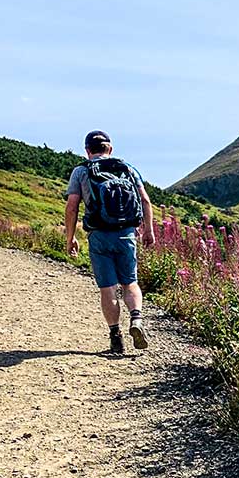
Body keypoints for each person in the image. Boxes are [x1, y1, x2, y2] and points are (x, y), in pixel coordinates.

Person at [64, 130, 156, 354]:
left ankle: (116, 337)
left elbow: (72, 207)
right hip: (126, 234)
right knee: (130, 283)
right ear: (110, 149)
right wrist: (149, 231)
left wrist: (70, 238)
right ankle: (136, 319)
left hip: (99, 236)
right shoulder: (127, 169)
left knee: (108, 289)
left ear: (87, 151)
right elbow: (145, 200)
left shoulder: (81, 171)